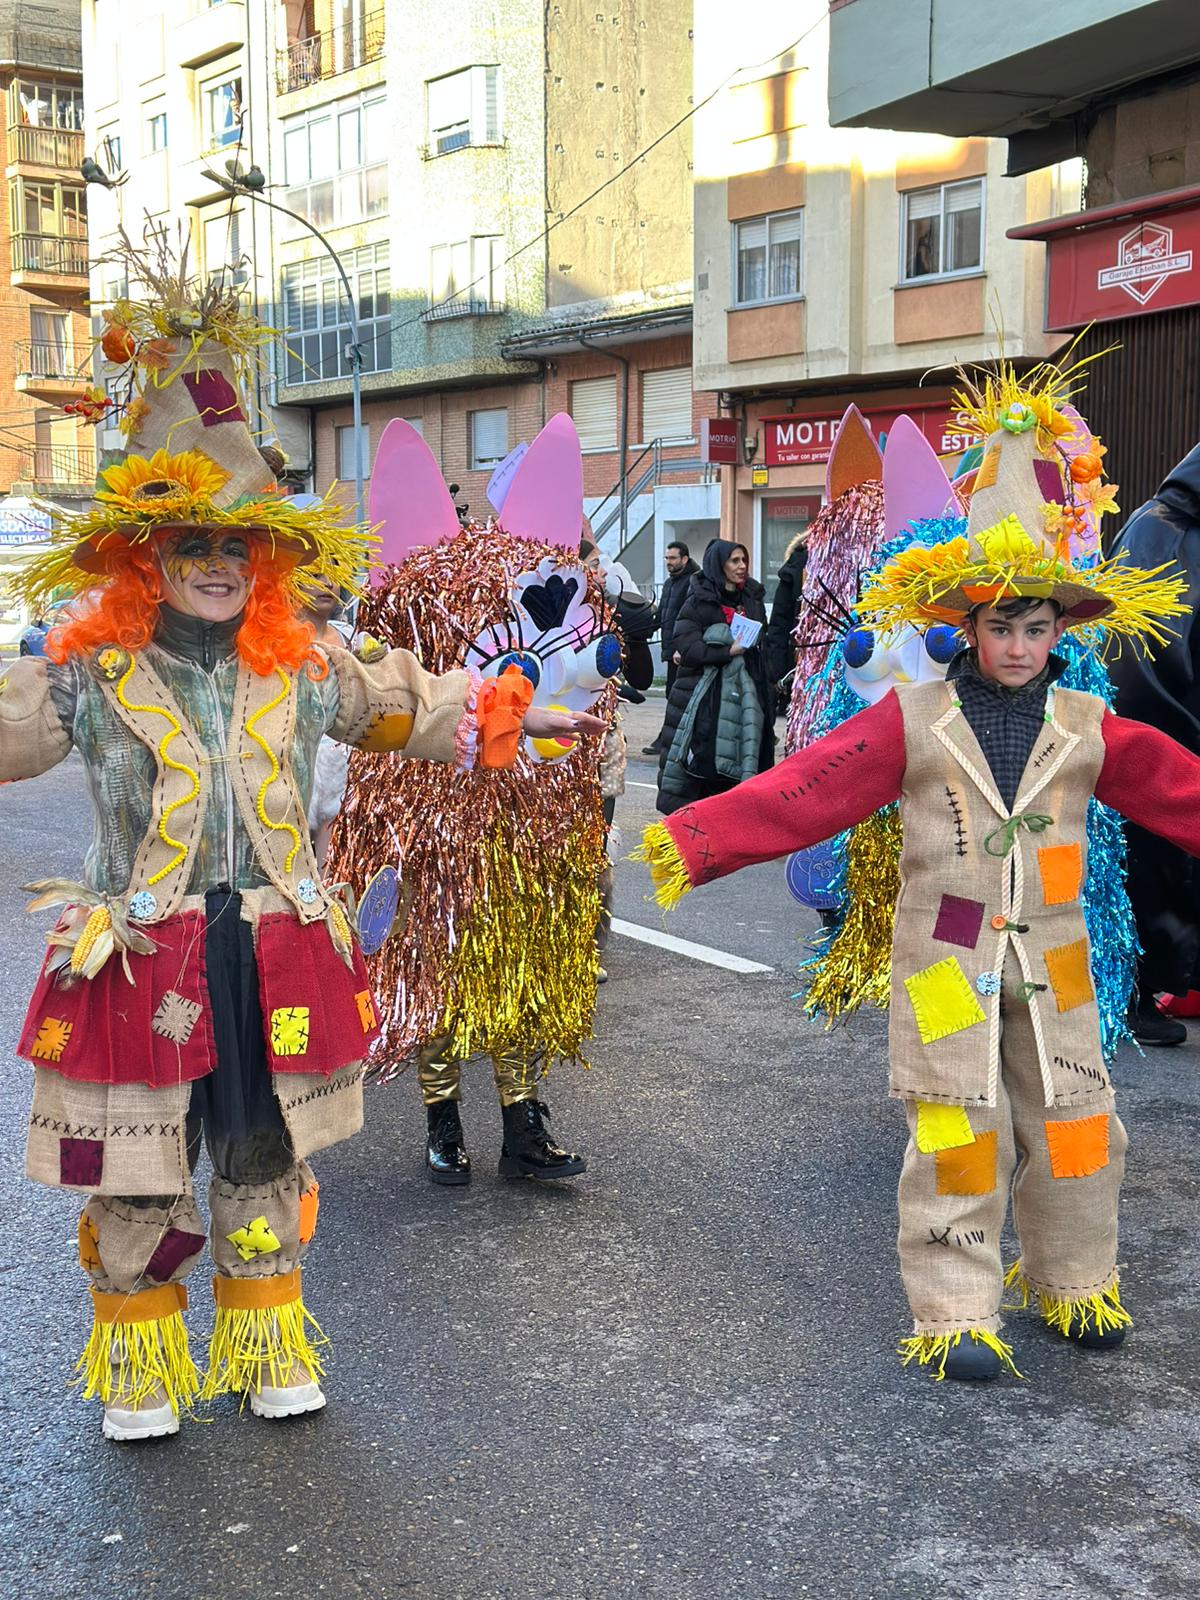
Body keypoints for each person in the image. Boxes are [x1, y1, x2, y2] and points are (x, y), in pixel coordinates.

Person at [2, 233, 591, 1443]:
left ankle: (266, 1337)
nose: (219, 563)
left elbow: (408, 700)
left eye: (239, 544)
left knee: (265, 1153)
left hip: (273, 942)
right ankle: (144, 1365)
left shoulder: (306, 662)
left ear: (266, 559)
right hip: (141, 950)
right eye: (193, 543)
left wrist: (507, 718)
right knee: (142, 1164)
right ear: (141, 553)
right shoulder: (91, 667)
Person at [637, 363, 1197, 1383]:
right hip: (947, 958)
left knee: (1079, 1126)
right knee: (957, 1127)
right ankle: (955, 1307)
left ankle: (1075, 1281)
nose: (1021, 644)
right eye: (1002, 626)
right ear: (968, 628)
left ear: (1058, 631)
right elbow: (809, 788)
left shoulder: (1087, 725)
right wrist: (699, 838)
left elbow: (1181, 792)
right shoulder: (914, 719)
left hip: (1060, 961)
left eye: (1038, 627)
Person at [326, 415, 612, 1190]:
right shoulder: (401, 650)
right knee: (438, 963)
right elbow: (411, 703)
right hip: (434, 808)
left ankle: (524, 1122)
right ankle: (442, 1120)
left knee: (527, 961)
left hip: (533, 815)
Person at [1108, 442, 1200, 1047]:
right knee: (1144, 870)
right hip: (1158, 737)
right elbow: (1145, 655)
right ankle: (1137, 993)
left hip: (1170, 733)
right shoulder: (1160, 533)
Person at [656, 538, 774, 814]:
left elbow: (761, 635)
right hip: (704, 702)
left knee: (742, 766)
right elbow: (687, 646)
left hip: (746, 695)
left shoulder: (752, 598)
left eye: (743, 560)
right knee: (702, 771)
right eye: (734, 561)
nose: (742, 566)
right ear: (718, 564)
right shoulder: (698, 600)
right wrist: (727, 651)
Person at [643, 540, 699, 754]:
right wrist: (644, 630)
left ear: (684, 559)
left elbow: (689, 617)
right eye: (667, 558)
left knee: (678, 696)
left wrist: (682, 648)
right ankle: (671, 739)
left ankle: (668, 741)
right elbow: (664, 615)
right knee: (673, 695)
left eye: (673, 558)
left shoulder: (693, 581)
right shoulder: (670, 583)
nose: (669, 562)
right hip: (671, 650)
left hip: (682, 652)